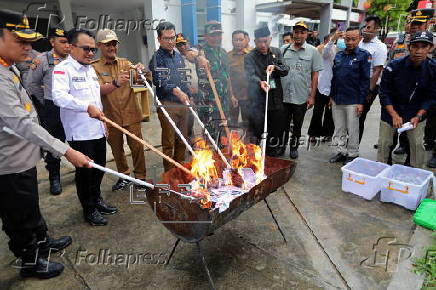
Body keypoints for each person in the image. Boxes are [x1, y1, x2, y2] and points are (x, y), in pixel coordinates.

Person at [0, 9, 91, 279]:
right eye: (21, 41)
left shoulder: (9, 66)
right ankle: (29, 260)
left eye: (30, 41)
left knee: (31, 206)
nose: (29, 47)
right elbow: (22, 124)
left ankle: (42, 242)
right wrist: (65, 150)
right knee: (19, 215)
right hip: (9, 164)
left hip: (24, 158)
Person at [52, 29, 118, 226]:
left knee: (100, 167)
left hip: (96, 128)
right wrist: (85, 107)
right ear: (71, 47)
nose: (91, 53)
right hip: (80, 133)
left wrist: (103, 121)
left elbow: (95, 98)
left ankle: (97, 200)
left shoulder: (89, 69)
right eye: (86, 49)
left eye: (93, 50)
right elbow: (59, 97)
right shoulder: (63, 69)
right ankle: (89, 209)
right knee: (85, 172)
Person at [92, 29, 147, 191]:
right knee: (116, 149)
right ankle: (124, 175)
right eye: (108, 44)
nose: (112, 47)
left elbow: (141, 82)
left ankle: (141, 177)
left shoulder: (125, 63)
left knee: (137, 147)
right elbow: (97, 90)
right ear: (99, 46)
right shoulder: (94, 68)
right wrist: (115, 83)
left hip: (131, 113)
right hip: (110, 116)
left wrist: (142, 72)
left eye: (114, 44)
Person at [377, 31, 436, 169]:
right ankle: (381, 171)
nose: (419, 51)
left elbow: (431, 97)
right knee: (384, 143)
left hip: (416, 113)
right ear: (409, 47)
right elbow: (384, 93)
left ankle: (417, 174)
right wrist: (394, 115)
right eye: (415, 46)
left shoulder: (433, 69)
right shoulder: (394, 66)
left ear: (430, 48)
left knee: (417, 144)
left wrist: (419, 116)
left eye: (423, 47)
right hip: (391, 111)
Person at [25, 27, 69, 195]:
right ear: (52, 42)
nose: (67, 46)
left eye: (68, 42)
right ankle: (55, 177)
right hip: (53, 109)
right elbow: (32, 85)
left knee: (78, 141)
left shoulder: (74, 58)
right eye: (62, 42)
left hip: (72, 109)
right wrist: (44, 103)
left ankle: (82, 171)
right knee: (53, 144)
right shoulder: (42, 59)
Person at [149, 22, 191, 172]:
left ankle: (180, 170)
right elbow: (161, 81)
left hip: (182, 104)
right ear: (159, 39)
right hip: (167, 105)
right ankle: (169, 174)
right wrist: (177, 91)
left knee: (182, 139)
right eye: (167, 38)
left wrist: (188, 95)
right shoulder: (156, 58)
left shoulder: (178, 57)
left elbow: (183, 78)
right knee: (169, 142)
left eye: (173, 38)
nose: (171, 41)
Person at [281, 21, 323, 159]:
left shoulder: (313, 51)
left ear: (307, 34)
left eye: (302, 32)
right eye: (296, 32)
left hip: (301, 96)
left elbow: (315, 75)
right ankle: (281, 146)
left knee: (297, 125)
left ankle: (294, 147)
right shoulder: (284, 49)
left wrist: (312, 96)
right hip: (284, 95)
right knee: (283, 124)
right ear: (293, 33)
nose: (298, 35)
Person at [245, 26, 289, 156]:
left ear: (270, 39)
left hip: (275, 99)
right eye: (259, 42)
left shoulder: (276, 52)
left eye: (265, 41)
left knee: (275, 129)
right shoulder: (250, 57)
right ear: (254, 41)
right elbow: (249, 75)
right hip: (258, 101)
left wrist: (275, 67)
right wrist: (260, 82)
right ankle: (256, 156)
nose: (263, 45)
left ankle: (271, 154)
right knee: (258, 130)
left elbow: (285, 69)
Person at [329, 27, 370, 164]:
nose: (350, 42)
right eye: (347, 39)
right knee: (339, 128)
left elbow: (365, 81)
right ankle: (340, 152)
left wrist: (361, 102)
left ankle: (352, 154)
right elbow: (335, 78)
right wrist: (331, 97)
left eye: (353, 39)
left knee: (352, 129)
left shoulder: (364, 55)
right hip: (337, 99)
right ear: (344, 39)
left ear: (360, 39)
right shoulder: (339, 55)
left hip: (353, 100)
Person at [197, 21, 237, 140]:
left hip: (224, 101)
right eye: (213, 35)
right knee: (211, 135)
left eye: (219, 34)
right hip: (208, 103)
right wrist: (199, 57)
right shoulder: (201, 52)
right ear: (205, 36)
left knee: (224, 132)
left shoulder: (223, 52)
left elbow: (227, 75)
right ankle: (212, 157)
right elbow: (189, 53)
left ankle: (223, 156)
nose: (217, 38)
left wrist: (232, 95)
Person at [358, 15, 388, 143]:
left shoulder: (380, 47)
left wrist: (369, 91)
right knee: (349, 118)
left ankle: (353, 151)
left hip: (367, 87)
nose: (365, 29)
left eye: (368, 27)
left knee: (359, 118)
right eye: (365, 26)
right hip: (354, 85)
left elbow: (377, 70)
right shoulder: (359, 42)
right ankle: (343, 149)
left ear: (377, 29)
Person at [308, 30, 340, 142]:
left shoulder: (336, 50)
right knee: (317, 111)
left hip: (333, 85)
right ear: (326, 41)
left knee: (330, 112)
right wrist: (332, 40)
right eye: (330, 41)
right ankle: (313, 134)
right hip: (321, 85)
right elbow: (326, 51)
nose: (333, 44)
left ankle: (328, 133)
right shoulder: (321, 50)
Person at [228, 30, 251, 126]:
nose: (238, 42)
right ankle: (233, 140)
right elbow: (226, 77)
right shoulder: (228, 56)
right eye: (235, 40)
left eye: (241, 40)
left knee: (247, 123)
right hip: (233, 97)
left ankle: (247, 140)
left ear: (245, 40)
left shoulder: (251, 55)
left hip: (248, 96)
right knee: (232, 123)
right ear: (232, 41)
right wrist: (231, 95)